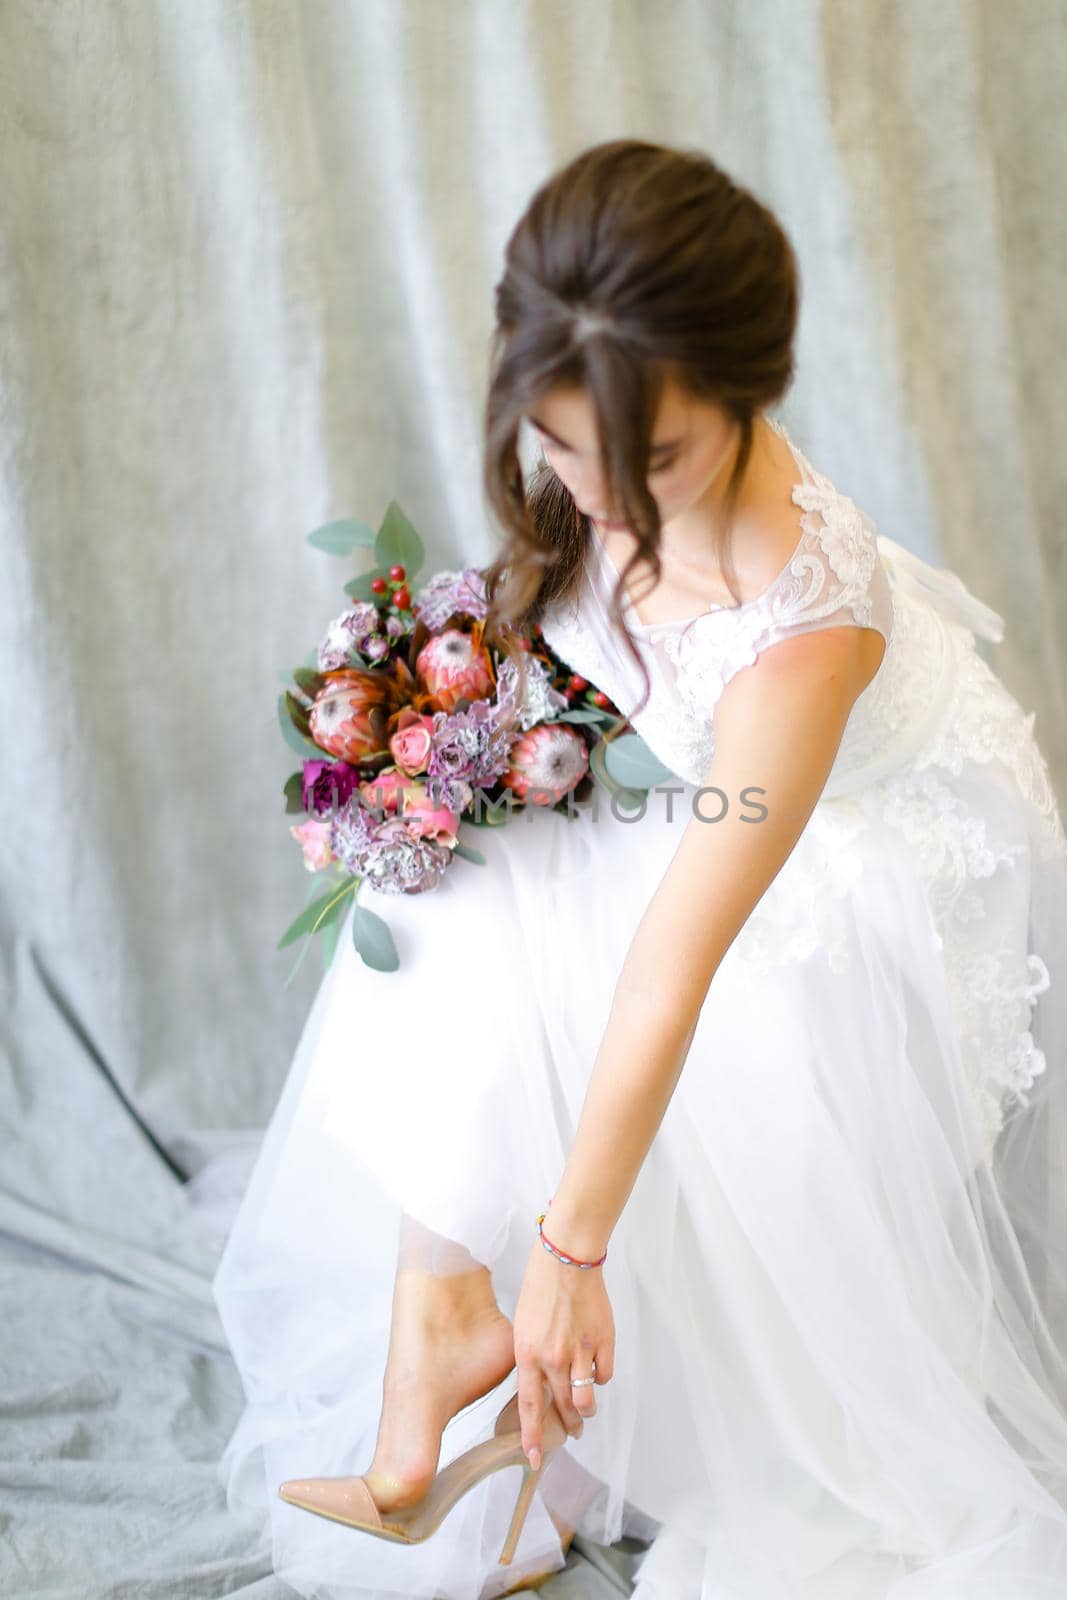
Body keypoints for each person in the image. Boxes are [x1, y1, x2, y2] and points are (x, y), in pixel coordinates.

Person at [212, 138, 1067, 1600]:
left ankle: (513, 1325)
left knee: (607, 988)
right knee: (449, 878)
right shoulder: (598, 435)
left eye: (654, 460)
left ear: (752, 393)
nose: (601, 499)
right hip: (710, 802)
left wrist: (575, 1248)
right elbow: (586, 664)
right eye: (560, 447)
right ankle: (442, 1309)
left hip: (867, 871)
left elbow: (678, 964)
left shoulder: (808, 618)